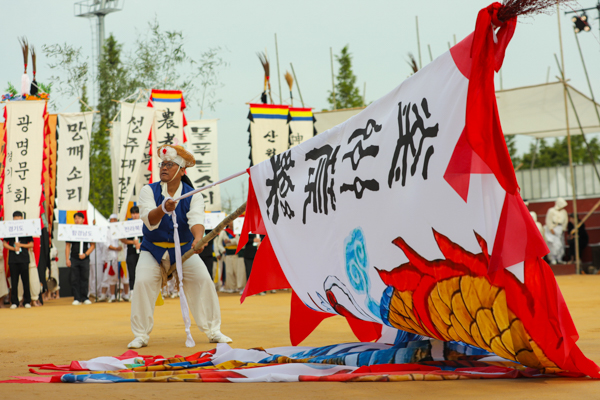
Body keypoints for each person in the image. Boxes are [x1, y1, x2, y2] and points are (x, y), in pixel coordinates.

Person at [127, 144, 231, 349]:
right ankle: (140, 334)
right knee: (142, 282)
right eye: (162, 164)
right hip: (152, 249)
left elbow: (196, 221)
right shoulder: (149, 190)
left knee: (203, 279)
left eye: (169, 164)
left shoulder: (194, 194)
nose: (163, 168)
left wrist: (198, 239)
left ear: (182, 171)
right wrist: (163, 208)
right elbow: (149, 219)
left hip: (183, 249)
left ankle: (213, 330)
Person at [3, 211, 34, 309]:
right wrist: (13, 248)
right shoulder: (9, 229)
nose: (17, 219)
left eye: (19, 217)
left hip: (24, 258)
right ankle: (14, 302)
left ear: (22, 218)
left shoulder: (26, 228)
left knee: (26, 281)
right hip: (13, 260)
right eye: (15, 217)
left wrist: (21, 245)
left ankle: (27, 301)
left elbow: (31, 244)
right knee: (14, 282)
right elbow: (4, 243)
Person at [65, 212, 95, 306]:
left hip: (85, 258)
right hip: (74, 258)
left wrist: (85, 255)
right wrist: (67, 259)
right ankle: (76, 298)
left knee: (85, 278)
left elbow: (92, 245)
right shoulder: (71, 230)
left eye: (79, 218)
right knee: (75, 278)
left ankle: (85, 297)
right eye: (75, 218)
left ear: (83, 220)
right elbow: (68, 246)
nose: (77, 220)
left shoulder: (88, 230)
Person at [102, 214, 130, 302]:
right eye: (112, 220)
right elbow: (106, 244)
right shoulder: (107, 231)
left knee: (125, 276)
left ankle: (126, 294)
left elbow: (125, 242)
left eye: (115, 220)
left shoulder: (122, 230)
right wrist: (115, 248)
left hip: (122, 257)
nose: (113, 221)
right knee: (112, 277)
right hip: (112, 257)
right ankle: (113, 295)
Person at [121, 206, 143, 291]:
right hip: (131, 252)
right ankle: (132, 292)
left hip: (142, 252)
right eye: (133, 213)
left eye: (136, 213)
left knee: (142, 273)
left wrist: (141, 244)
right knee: (132, 272)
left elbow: (148, 237)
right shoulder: (127, 226)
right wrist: (133, 242)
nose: (135, 215)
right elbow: (122, 239)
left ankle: (141, 291)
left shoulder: (143, 224)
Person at [544, 197, 569, 265]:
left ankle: (559, 258)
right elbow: (548, 220)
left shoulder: (564, 212)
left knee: (560, 244)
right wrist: (551, 228)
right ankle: (553, 259)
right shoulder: (551, 210)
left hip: (560, 229)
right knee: (553, 245)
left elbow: (565, 221)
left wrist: (563, 229)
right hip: (553, 229)